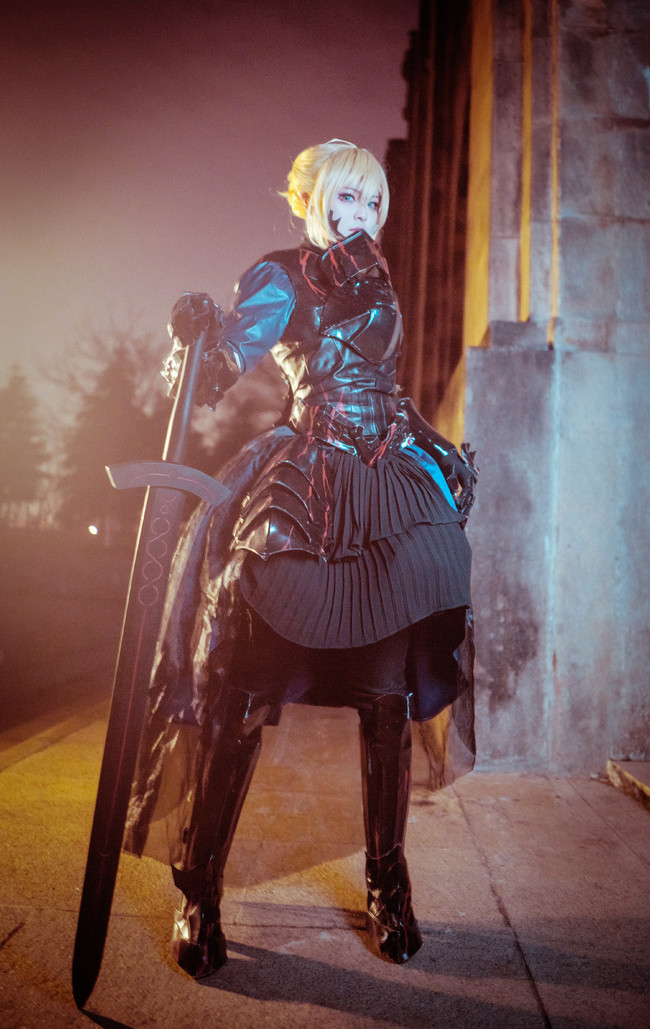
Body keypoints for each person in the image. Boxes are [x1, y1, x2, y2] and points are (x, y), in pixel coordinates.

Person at [124, 139, 477, 978]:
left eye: (373, 203)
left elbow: (383, 383)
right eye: (346, 199)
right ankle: (200, 885)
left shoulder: (378, 276)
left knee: (387, 699)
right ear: (309, 199)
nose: (361, 216)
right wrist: (198, 340)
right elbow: (216, 371)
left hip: (384, 486)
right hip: (305, 487)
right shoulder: (280, 275)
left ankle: (389, 882)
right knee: (243, 692)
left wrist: (428, 448)